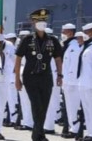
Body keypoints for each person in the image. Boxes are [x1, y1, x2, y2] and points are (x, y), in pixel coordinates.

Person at [14, 8, 63, 141]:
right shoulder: (27, 40)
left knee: (44, 106)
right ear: (33, 22)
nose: (42, 22)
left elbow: (58, 58)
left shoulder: (52, 40)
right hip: (30, 77)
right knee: (36, 105)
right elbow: (18, 58)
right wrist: (17, 78)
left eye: (44, 20)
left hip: (46, 78)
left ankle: (38, 134)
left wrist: (60, 75)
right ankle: (38, 135)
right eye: (39, 20)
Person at [60, 23, 81, 138]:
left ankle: (75, 129)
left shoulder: (74, 47)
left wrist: (71, 82)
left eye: (64, 31)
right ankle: (72, 128)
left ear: (71, 33)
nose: (62, 34)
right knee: (69, 106)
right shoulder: (67, 46)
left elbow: (73, 66)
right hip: (67, 82)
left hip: (72, 83)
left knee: (73, 106)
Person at [4, 33, 20, 127]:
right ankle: (10, 118)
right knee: (9, 101)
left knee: (13, 100)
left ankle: (14, 120)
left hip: (13, 78)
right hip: (8, 78)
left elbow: (16, 64)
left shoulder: (14, 50)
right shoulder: (7, 49)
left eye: (12, 39)